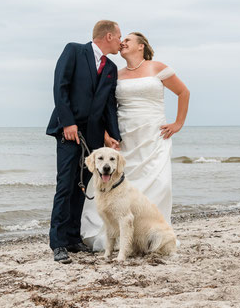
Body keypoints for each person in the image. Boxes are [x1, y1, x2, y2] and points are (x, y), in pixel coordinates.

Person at [81, 31, 190, 251]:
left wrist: (178, 123)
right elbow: (106, 107)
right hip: (125, 135)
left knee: (160, 183)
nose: (122, 43)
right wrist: (106, 135)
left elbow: (183, 92)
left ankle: (150, 234)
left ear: (141, 46)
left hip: (154, 136)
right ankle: (117, 237)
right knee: (119, 185)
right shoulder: (116, 73)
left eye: (128, 40)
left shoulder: (157, 67)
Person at [46, 20, 122, 263]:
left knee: (81, 187)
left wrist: (113, 135)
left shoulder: (111, 67)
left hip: (93, 139)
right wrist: (68, 123)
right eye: (119, 37)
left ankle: (72, 238)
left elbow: (109, 104)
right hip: (69, 133)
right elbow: (61, 87)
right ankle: (57, 244)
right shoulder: (74, 50)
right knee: (65, 185)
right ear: (108, 36)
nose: (121, 42)